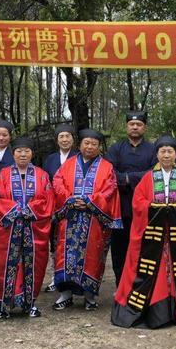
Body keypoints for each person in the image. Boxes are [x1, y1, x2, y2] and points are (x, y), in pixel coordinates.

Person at [111, 135, 176, 328]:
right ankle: (154, 311)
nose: (166, 155)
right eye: (163, 151)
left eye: (170, 151)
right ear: (157, 154)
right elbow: (138, 203)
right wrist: (155, 209)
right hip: (153, 239)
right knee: (151, 271)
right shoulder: (148, 178)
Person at [52, 129, 122, 311]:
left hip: (94, 220)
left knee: (92, 256)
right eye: (86, 143)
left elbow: (110, 188)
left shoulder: (107, 167)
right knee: (65, 255)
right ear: (80, 144)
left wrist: (90, 201)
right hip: (69, 218)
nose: (90, 147)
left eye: (94, 144)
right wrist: (70, 199)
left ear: (99, 147)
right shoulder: (68, 165)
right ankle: (65, 294)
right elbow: (57, 182)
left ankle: (89, 296)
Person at [0, 137, 54, 319]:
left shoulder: (42, 175)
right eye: (19, 151)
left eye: (27, 151)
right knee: (5, 263)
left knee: (34, 264)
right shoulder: (3, 175)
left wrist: (30, 210)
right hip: (9, 229)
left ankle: (29, 303)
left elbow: (48, 199)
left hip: (33, 228)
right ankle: (4, 305)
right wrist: (15, 210)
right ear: (13, 153)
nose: (23, 154)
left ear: (32, 153)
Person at [106, 111, 156, 286]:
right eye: (132, 124)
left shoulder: (153, 150)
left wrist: (127, 178)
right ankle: (121, 285)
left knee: (144, 246)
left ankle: (142, 286)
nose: (135, 127)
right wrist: (130, 178)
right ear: (127, 127)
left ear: (144, 128)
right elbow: (109, 172)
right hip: (120, 206)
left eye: (139, 124)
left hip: (145, 207)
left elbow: (154, 172)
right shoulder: (116, 148)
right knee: (119, 248)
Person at [41, 123, 79, 292]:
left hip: (74, 206)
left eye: (67, 136)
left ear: (73, 139)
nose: (64, 140)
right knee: (54, 242)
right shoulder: (50, 159)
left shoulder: (79, 157)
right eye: (61, 137)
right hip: (54, 207)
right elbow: (45, 182)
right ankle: (54, 278)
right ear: (57, 140)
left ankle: (73, 277)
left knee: (72, 242)